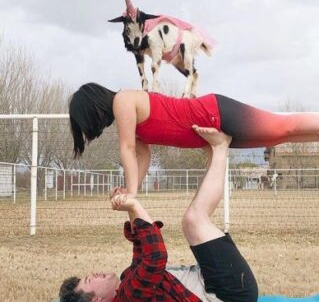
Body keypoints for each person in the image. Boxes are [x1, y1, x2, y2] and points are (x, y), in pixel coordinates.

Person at [59, 127, 258, 302]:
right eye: (89, 280)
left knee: (193, 218)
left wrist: (128, 205)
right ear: (97, 300)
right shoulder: (128, 299)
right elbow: (155, 258)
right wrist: (135, 206)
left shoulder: (127, 281)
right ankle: (221, 148)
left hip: (213, 281)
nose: (93, 274)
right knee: (194, 220)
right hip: (230, 293)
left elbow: (142, 250)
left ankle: (214, 154)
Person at [69, 82, 319, 195]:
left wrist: (130, 193)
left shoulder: (122, 100)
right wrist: (131, 187)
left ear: (92, 109)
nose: (91, 131)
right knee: (279, 138)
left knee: (283, 126)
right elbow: (141, 155)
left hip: (214, 113)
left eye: (86, 124)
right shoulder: (130, 117)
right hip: (213, 132)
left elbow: (127, 150)